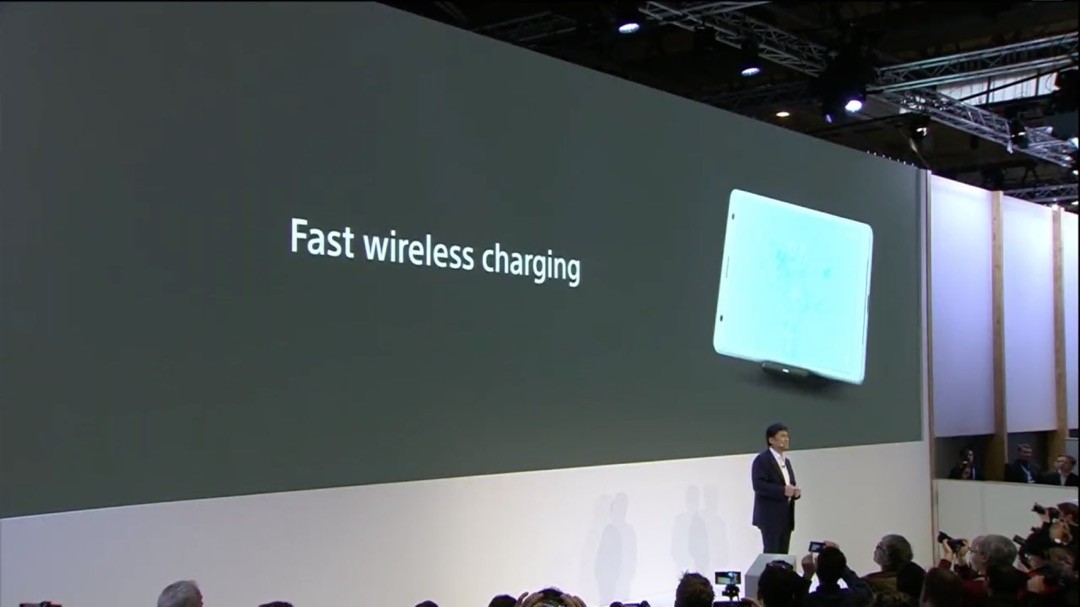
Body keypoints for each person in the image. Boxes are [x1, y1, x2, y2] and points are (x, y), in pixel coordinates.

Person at [752, 422, 801, 554]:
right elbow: (759, 486)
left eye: (787, 436)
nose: (786, 439)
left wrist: (795, 492)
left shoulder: (786, 461)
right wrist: (783, 491)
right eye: (782, 436)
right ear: (771, 440)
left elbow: (790, 483)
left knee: (783, 554)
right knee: (772, 553)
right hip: (770, 516)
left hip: (786, 516)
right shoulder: (762, 460)